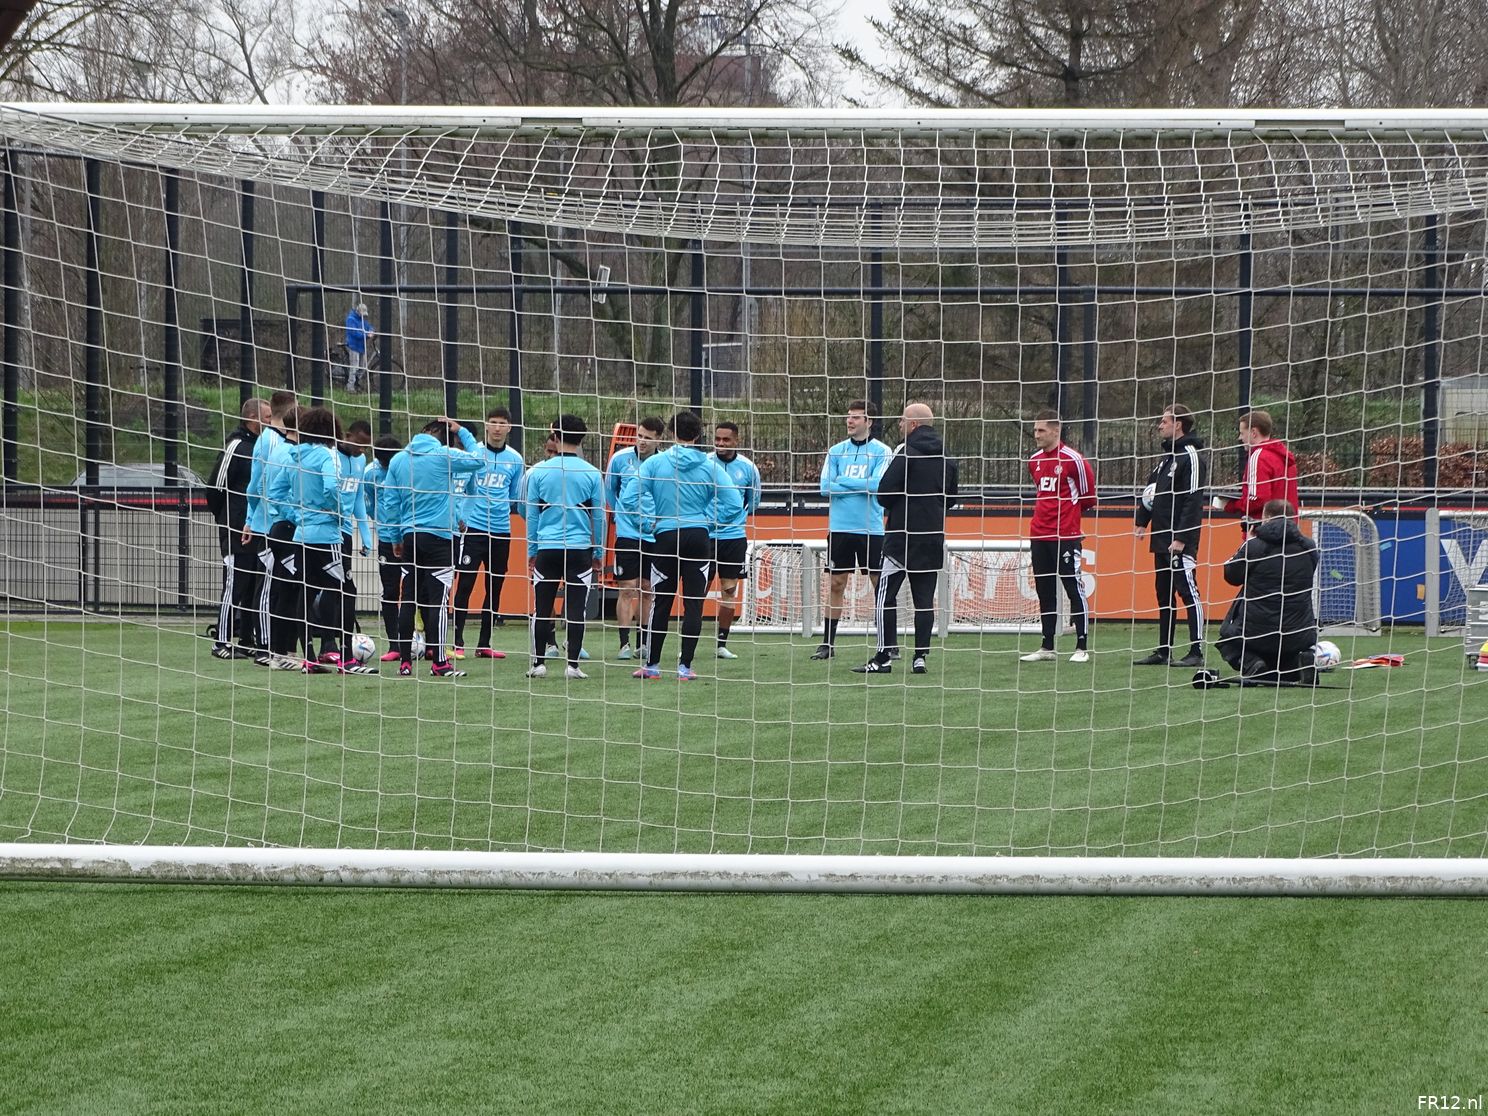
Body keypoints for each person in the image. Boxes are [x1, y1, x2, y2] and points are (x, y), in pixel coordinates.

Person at [635, 411, 743, 681]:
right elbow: (733, 502)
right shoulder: (710, 466)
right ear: (698, 435)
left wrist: (649, 519)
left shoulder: (654, 463)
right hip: (697, 537)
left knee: (661, 602)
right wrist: (708, 521)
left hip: (666, 536)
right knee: (693, 604)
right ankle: (685, 667)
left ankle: (653, 666)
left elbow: (630, 496)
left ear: (671, 433)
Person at [853, 403, 958, 676]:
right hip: (932, 536)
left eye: (902, 421)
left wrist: (900, 506)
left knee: (885, 595)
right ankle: (920, 656)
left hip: (901, 537)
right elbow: (952, 498)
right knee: (924, 600)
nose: (900, 425)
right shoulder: (947, 455)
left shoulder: (906, 451)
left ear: (912, 424)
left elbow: (884, 491)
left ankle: (883, 656)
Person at [380, 417, 485, 678]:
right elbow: (479, 459)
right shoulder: (443, 455)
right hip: (439, 538)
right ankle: (439, 662)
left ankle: (405, 662)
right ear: (441, 435)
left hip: (410, 538)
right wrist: (462, 431)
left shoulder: (398, 460)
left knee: (409, 599)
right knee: (438, 602)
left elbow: (389, 503)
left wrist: (395, 538)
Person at [294, 408, 377, 676]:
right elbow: (331, 489)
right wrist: (336, 511)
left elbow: (282, 491)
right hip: (329, 535)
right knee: (345, 590)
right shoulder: (329, 456)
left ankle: (309, 658)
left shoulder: (296, 455)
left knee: (306, 592)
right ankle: (344, 658)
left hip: (303, 534)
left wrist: (364, 534)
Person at [522, 415, 606, 680]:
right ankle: (572, 666)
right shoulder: (592, 473)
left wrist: (532, 551)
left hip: (547, 548)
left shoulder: (539, 472)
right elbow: (600, 517)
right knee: (576, 608)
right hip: (580, 549)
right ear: (582, 439)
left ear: (554, 436)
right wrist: (599, 552)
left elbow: (532, 515)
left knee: (542, 607)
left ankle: (538, 663)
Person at [813, 400, 893, 660]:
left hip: (870, 530)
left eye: (856, 418)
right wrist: (859, 485)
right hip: (840, 528)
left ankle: (888, 643)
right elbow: (825, 487)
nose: (850, 421)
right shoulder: (836, 451)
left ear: (869, 422)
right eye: (848, 417)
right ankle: (827, 644)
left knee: (878, 583)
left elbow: (878, 486)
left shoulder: (882, 451)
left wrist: (844, 481)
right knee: (836, 583)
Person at [1133, 404, 1208, 668]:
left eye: (1163, 421)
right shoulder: (1166, 458)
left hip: (1179, 540)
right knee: (1163, 594)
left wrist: (1182, 537)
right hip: (1161, 538)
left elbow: (1193, 500)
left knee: (1188, 591)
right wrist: (1142, 521)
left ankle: (1196, 651)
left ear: (1178, 424)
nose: (1159, 425)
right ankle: (1164, 650)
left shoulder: (1191, 456)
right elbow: (1151, 492)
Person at [1022, 410, 1097, 664]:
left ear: (1056, 431)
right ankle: (1047, 646)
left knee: (1073, 586)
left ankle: (1082, 646)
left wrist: (1069, 521)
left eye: (1041, 430)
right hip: (1039, 535)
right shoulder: (1034, 461)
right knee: (1044, 591)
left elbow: (1087, 499)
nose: (1037, 435)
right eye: (1035, 430)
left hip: (1065, 535)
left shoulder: (1074, 460)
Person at [1217, 498, 1319, 680]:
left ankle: (1252, 664)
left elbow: (1231, 576)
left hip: (1256, 631)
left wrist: (1246, 544)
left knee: (1227, 640)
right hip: (1298, 633)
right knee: (1285, 652)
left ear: (1266, 518)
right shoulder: (1309, 546)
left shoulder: (1255, 546)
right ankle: (1299, 662)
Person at [451, 407, 524, 660]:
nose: (496, 427)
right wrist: (460, 516)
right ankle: (457, 641)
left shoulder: (515, 459)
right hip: (473, 530)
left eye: (501, 423)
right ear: (486, 425)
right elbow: (460, 487)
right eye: (492, 422)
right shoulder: (474, 454)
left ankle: (484, 643)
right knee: (465, 585)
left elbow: (515, 496)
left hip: (502, 531)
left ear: (509, 427)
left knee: (495, 587)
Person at [207, 396, 269, 659]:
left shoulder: (263, 447)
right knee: (236, 583)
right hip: (235, 527)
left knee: (256, 583)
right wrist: (228, 518)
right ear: (252, 418)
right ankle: (221, 641)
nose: (269, 422)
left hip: (257, 527)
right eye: (266, 418)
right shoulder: (235, 446)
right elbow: (215, 488)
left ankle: (247, 639)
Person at [241, 389, 298, 665]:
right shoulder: (269, 443)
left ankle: (281, 647)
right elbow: (256, 486)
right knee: (267, 588)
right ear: (288, 412)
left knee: (282, 587)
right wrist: (253, 519)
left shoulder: (277, 441)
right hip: (270, 526)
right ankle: (265, 647)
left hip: (279, 523)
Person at [606, 416, 665, 661]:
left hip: (655, 534)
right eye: (639, 435)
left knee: (648, 589)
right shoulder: (620, 459)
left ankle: (643, 641)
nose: (642, 441)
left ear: (658, 440)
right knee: (627, 588)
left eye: (648, 438)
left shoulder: (664, 463)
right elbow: (610, 491)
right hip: (628, 534)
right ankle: (623, 643)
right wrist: (622, 517)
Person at [708, 421, 761, 660]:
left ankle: (721, 644)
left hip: (733, 538)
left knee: (729, 590)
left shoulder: (748, 468)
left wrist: (733, 520)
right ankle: (688, 644)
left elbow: (754, 501)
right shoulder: (705, 463)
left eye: (726, 440)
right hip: (705, 537)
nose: (720, 443)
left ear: (736, 440)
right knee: (697, 591)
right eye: (717, 439)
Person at [363, 434, 412, 664]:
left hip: (410, 536)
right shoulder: (370, 473)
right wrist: (384, 524)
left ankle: (428, 644)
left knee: (417, 591)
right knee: (390, 591)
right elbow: (370, 504)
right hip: (386, 539)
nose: (385, 466)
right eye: (382, 462)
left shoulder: (406, 467)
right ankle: (394, 644)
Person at [1221, 410, 1299, 524]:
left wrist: (1230, 505)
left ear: (1253, 432)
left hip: (1264, 530)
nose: (1240, 438)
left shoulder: (1259, 457)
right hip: (1289, 527)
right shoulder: (1285, 457)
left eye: (1242, 433)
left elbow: (1258, 499)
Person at [344, 302, 373, 392]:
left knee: (363, 367)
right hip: (353, 346)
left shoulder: (362, 320)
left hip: (361, 346)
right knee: (354, 367)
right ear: (358, 312)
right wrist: (367, 335)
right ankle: (350, 387)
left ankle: (356, 383)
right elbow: (355, 333)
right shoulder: (351, 319)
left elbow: (369, 326)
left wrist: (371, 330)